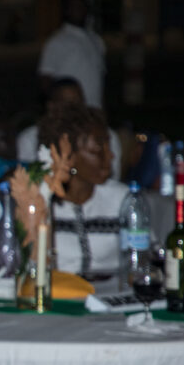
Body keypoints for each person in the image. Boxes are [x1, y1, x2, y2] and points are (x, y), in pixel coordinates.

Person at [38, 101, 124, 278]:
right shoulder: (41, 202)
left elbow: (145, 260)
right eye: (98, 148)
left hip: (114, 292)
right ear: (69, 156)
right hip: (60, 293)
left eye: (108, 146)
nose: (110, 155)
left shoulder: (122, 200)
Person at [17, 77, 121, 182]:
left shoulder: (106, 135)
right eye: (68, 103)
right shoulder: (30, 137)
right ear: (51, 106)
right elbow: (30, 177)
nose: (74, 109)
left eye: (78, 103)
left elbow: (113, 178)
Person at [38, 0, 106, 109]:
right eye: (74, 7)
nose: (78, 10)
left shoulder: (96, 40)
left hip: (94, 109)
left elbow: (99, 78)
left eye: (81, 6)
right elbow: (45, 79)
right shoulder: (57, 41)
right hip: (70, 111)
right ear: (67, 10)